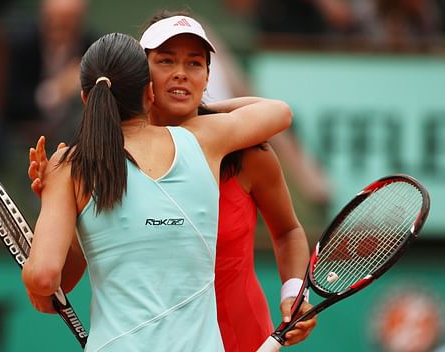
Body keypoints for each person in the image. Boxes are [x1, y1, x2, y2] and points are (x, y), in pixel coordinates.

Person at [28, 12, 317, 351]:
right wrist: (60, 211)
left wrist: (294, 292)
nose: (181, 72)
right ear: (141, 78)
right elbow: (62, 280)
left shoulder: (245, 152)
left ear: (208, 77)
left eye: (195, 64)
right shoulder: (98, 164)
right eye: (166, 61)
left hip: (248, 339)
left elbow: (288, 231)